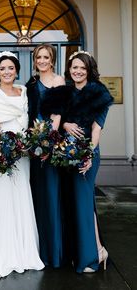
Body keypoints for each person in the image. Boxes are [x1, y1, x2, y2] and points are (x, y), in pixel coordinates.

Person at [0, 51, 44, 280]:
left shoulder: (24, 91)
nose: (7, 72)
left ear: (16, 70)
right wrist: (3, 153)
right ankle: (4, 252)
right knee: (4, 198)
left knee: (21, 195)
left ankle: (25, 251)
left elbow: (26, 124)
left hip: (24, 155)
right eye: (2, 69)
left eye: (10, 68)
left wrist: (24, 147)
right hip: (2, 155)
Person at [61, 50, 113, 273]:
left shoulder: (98, 92)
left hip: (87, 154)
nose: (78, 71)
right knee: (75, 203)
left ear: (89, 70)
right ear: (69, 69)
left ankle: (90, 256)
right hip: (65, 153)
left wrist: (88, 155)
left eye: (82, 67)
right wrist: (65, 125)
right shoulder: (66, 91)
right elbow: (59, 119)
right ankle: (97, 249)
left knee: (83, 202)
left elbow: (96, 128)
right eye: (74, 67)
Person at [26, 44, 66, 267]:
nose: (42, 60)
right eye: (38, 57)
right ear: (35, 60)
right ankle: (38, 249)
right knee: (37, 196)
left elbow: (57, 115)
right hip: (34, 147)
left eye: (46, 57)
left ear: (52, 60)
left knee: (51, 195)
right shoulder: (31, 84)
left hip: (50, 146)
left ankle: (54, 252)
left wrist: (48, 142)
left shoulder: (59, 81)